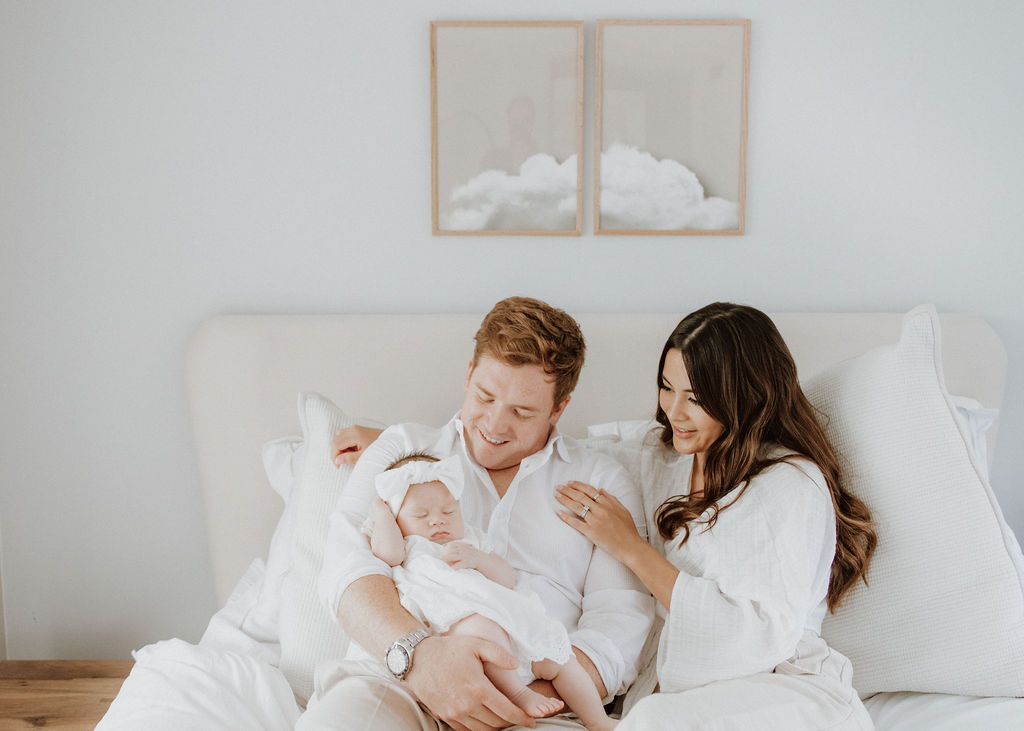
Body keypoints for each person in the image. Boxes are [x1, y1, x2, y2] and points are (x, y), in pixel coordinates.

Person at [298, 297, 654, 731]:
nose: (495, 425)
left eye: (522, 412)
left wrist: (507, 700)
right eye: (484, 397)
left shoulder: (601, 480)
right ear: (468, 374)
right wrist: (422, 660)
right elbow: (347, 572)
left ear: (559, 408)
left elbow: (619, 623)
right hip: (397, 680)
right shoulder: (400, 450)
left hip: (535, 702)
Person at [554, 302, 878, 730]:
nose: (675, 411)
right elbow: (567, 452)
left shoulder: (792, 484)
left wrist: (631, 548)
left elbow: (760, 637)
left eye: (697, 398)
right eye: (667, 388)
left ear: (746, 396)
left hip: (781, 688)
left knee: (652, 723)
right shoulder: (662, 458)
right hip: (678, 696)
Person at [367, 452, 617, 730]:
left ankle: (597, 720)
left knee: (562, 658)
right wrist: (381, 514)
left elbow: (506, 578)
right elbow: (386, 553)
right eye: (421, 514)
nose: (437, 521)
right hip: (460, 639)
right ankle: (520, 694)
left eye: (448, 511)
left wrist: (477, 559)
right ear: (396, 518)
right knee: (481, 626)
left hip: (512, 629)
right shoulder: (409, 547)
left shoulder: (471, 540)